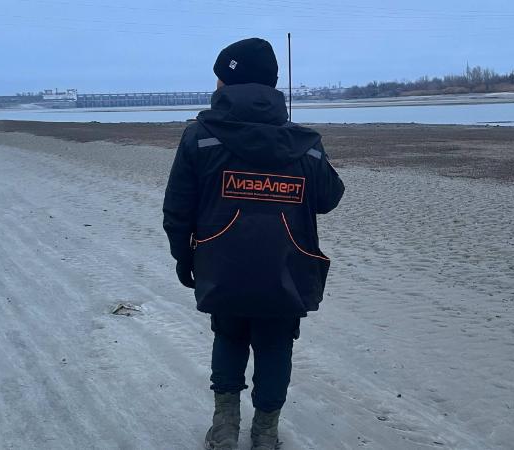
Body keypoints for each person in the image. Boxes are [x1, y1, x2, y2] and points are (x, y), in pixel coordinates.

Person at [162, 37, 344, 450]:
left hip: (222, 265)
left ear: (228, 82)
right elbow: (330, 197)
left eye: (219, 77)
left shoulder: (199, 137)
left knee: (229, 336)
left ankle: (226, 430)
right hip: (286, 268)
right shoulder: (305, 144)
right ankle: (264, 433)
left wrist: (184, 257)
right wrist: (303, 154)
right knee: (276, 343)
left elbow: (177, 210)